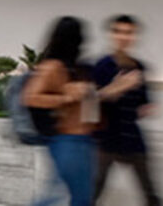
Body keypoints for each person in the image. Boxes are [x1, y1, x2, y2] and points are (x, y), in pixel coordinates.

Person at [22, 16, 139, 206]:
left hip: (85, 141)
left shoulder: (78, 68)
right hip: (67, 141)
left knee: (77, 196)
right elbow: (30, 97)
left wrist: (115, 88)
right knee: (66, 197)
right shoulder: (52, 67)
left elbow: (89, 99)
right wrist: (65, 98)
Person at [93, 15, 163, 205]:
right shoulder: (102, 66)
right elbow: (91, 102)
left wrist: (148, 108)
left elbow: (143, 102)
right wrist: (116, 89)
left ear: (135, 36)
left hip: (132, 138)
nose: (123, 37)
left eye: (129, 32)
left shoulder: (139, 67)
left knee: (150, 191)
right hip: (106, 139)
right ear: (111, 35)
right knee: (94, 189)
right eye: (118, 32)